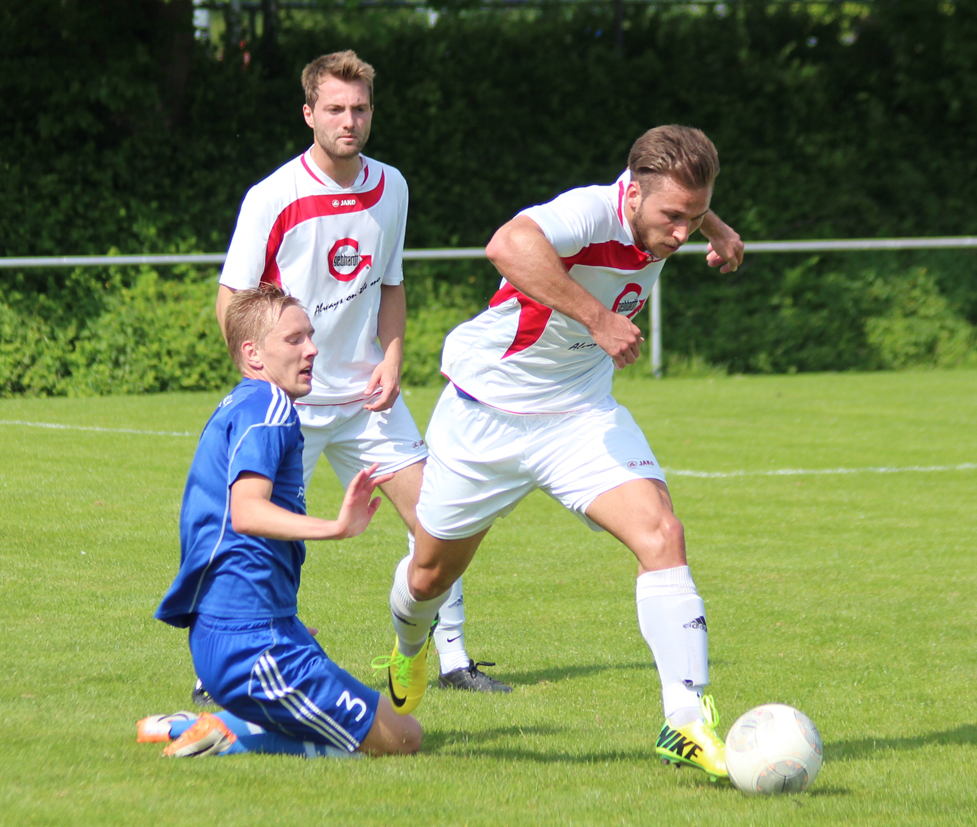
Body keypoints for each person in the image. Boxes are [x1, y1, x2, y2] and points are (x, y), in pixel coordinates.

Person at [375, 125, 745, 780]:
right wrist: (597, 319)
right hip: (483, 416)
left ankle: (685, 722)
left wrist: (715, 226)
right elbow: (506, 243)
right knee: (429, 577)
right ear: (630, 193)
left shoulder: (667, 209)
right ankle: (409, 647)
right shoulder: (586, 211)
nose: (680, 231)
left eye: (693, 215)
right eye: (673, 217)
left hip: (579, 418)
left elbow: (682, 201)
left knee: (661, 534)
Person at [208, 50, 508, 699]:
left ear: (371, 113)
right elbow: (231, 301)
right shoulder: (273, 196)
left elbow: (391, 284)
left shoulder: (392, 185)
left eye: (360, 108)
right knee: (255, 533)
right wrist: (262, 382)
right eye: (335, 108)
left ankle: (448, 657)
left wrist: (393, 358)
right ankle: (228, 663)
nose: (349, 120)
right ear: (309, 112)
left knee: (439, 518)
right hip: (290, 402)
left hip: (366, 399)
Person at [140, 286, 421, 758]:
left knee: (372, 726)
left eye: (310, 336)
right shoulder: (270, 410)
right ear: (253, 354)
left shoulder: (243, 404)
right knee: (404, 739)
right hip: (251, 644)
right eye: (295, 340)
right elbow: (246, 513)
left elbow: (220, 528)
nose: (312, 348)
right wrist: (337, 526)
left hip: (243, 628)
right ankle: (225, 735)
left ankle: (198, 724)